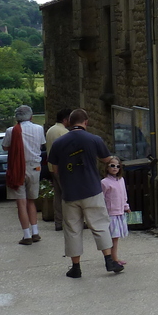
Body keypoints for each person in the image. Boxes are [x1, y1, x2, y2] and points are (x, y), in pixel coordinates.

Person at [47, 108, 124, 277]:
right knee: (100, 225)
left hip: (70, 193)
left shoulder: (59, 143)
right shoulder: (94, 139)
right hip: (91, 190)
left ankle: (76, 268)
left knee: (73, 229)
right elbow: (106, 159)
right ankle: (109, 260)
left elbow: (55, 168)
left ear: (69, 122)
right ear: (86, 122)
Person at [2, 105, 47, 245]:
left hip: (17, 168)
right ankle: (35, 232)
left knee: (21, 202)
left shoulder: (11, 131)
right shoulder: (39, 129)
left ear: (17, 117)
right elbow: (41, 144)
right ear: (31, 116)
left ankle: (26, 235)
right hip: (34, 167)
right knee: (31, 201)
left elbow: (5, 147)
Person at [44, 108, 72, 231]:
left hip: (52, 167)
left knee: (58, 195)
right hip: (63, 168)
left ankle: (59, 221)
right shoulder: (64, 132)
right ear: (65, 119)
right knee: (69, 195)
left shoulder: (51, 130)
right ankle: (70, 222)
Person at [101, 161, 129, 266]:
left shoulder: (121, 180)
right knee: (113, 237)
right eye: (112, 165)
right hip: (111, 213)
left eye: (118, 166)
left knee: (116, 237)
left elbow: (123, 195)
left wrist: (126, 207)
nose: (115, 168)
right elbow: (102, 198)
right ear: (107, 167)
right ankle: (114, 258)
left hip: (120, 212)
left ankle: (114, 257)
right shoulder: (104, 182)